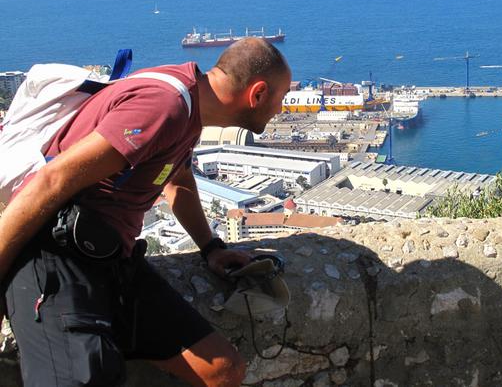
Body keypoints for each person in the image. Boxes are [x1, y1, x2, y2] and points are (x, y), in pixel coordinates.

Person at [0, 38, 292, 387]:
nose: (280, 109)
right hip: (53, 258)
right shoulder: (164, 106)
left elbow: (177, 180)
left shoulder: (191, 108)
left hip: (111, 260)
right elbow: (52, 179)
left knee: (222, 370)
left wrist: (210, 248)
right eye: (281, 98)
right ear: (257, 94)